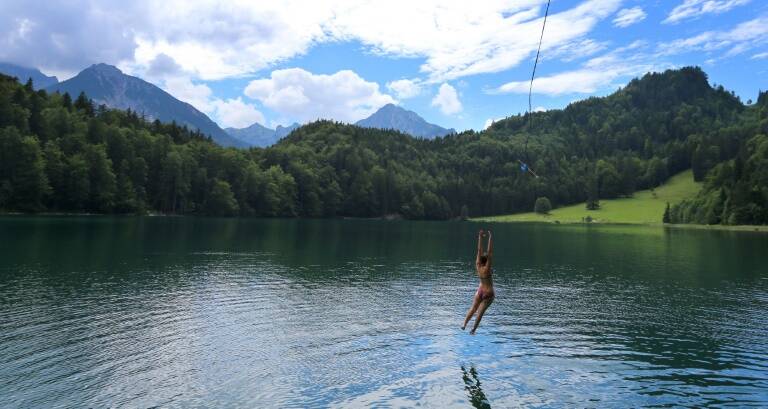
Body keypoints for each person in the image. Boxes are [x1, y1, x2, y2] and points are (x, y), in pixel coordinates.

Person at [462, 229, 495, 335]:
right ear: (487, 262)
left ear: (480, 260)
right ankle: (473, 330)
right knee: (480, 312)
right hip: (488, 293)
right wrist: (490, 237)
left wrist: (480, 237)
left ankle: (464, 324)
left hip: (479, 290)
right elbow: (489, 252)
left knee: (473, 308)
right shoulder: (487, 269)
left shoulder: (478, 265)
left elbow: (479, 250)